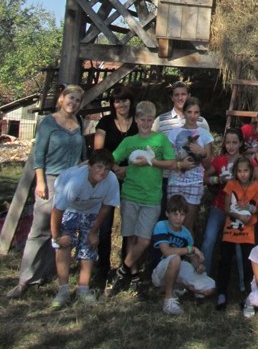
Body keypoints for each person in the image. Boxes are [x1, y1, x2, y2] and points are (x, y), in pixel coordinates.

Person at [7, 84, 86, 299]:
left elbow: (82, 155)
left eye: (77, 100)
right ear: (62, 98)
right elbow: (39, 155)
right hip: (51, 179)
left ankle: (48, 272)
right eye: (71, 98)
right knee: (41, 228)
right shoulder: (48, 123)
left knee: (62, 228)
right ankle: (25, 279)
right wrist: (40, 182)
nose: (73, 102)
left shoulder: (79, 122)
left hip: (72, 180)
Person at [108, 101, 175, 296]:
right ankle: (134, 275)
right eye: (142, 119)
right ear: (136, 120)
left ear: (153, 121)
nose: (145, 123)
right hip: (130, 194)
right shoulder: (129, 142)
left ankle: (122, 271)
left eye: (149, 120)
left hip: (152, 197)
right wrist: (117, 169)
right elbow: (112, 158)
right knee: (131, 236)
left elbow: (171, 163)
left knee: (144, 240)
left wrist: (152, 162)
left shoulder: (160, 140)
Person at [49, 149, 120, 308]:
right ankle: (63, 290)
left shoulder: (111, 180)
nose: (102, 172)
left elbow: (106, 207)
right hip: (69, 207)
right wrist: (57, 236)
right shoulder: (75, 181)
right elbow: (57, 210)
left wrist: (94, 232)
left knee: (89, 245)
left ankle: (83, 289)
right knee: (65, 244)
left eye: (107, 168)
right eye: (99, 167)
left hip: (92, 209)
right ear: (89, 167)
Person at [200, 127, 258, 277]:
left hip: (240, 209)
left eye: (234, 142)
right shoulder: (220, 160)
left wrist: (248, 193)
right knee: (209, 239)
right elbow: (204, 177)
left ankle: (244, 282)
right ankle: (203, 277)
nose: (231, 146)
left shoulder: (247, 161)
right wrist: (218, 179)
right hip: (220, 206)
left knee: (241, 246)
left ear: (240, 143)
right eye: (228, 142)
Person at [93, 84, 138, 279]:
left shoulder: (137, 123)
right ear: (113, 104)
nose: (121, 104)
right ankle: (102, 266)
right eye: (117, 101)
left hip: (132, 176)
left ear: (130, 102)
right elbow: (98, 150)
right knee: (105, 224)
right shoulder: (105, 122)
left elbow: (144, 149)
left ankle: (126, 267)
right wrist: (114, 167)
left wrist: (127, 169)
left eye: (124, 100)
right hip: (109, 176)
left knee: (129, 225)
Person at [151, 194, 215, 316]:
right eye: (175, 214)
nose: (178, 218)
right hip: (160, 271)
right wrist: (190, 249)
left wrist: (198, 266)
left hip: (177, 268)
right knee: (175, 259)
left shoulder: (186, 234)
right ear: (167, 213)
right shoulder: (161, 226)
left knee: (210, 287)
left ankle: (177, 287)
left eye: (182, 215)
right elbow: (166, 251)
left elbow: (191, 257)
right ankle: (168, 301)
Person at [215, 156, 258, 310]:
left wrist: (251, 209)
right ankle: (222, 293)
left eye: (246, 171)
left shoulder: (257, 187)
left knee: (248, 262)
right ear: (235, 172)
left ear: (251, 172)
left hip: (249, 231)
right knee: (225, 260)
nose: (243, 174)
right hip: (231, 229)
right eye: (239, 171)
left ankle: (250, 295)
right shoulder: (231, 184)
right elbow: (226, 208)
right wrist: (239, 216)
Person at [166, 97, 213, 234]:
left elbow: (208, 164)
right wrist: (181, 164)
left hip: (194, 182)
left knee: (187, 223)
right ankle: (171, 248)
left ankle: (188, 247)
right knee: (173, 223)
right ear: (184, 113)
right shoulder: (174, 133)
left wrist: (202, 152)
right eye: (189, 112)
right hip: (175, 182)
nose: (193, 116)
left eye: (196, 112)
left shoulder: (205, 134)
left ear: (200, 114)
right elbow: (168, 160)